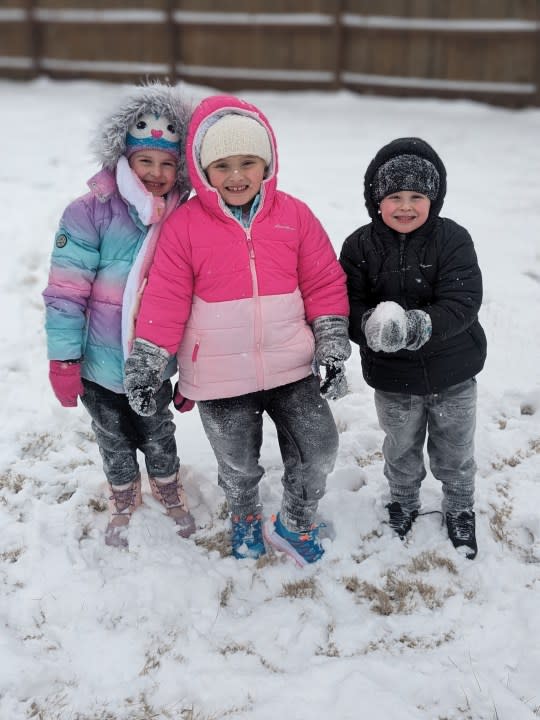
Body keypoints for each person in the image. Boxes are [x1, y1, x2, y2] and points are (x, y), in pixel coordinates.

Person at [123, 94, 351, 566]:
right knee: (238, 462)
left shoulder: (295, 216)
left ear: (266, 163)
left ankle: (295, 519)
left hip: (291, 366)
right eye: (222, 165)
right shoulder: (185, 226)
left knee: (319, 447)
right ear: (204, 171)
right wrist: (149, 362)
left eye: (248, 162)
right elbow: (164, 298)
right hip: (220, 377)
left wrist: (330, 343)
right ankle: (245, 516)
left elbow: (325, 281)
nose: (236, 176)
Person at [43, 84, 196, 548]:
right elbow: (66, 293)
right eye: (144, 161)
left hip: (155, 361)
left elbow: (194, 305)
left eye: (167, 163)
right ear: (123, 159)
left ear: (182, 168)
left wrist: (193, 373)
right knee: (112, 434)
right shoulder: (91, 211)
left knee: (157, 429)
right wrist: (64, 359)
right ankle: (124, 494)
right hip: (96, 362)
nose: (155, 173)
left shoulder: (184, 219)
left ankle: (167, 485)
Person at [340, 137, 487, 559]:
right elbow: (346, 302)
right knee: (400, 443)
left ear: (433, 197)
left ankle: (459, 505)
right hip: (394, 377)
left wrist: (420, 325)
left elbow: (463, 301)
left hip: (453, 371)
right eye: (394, 196)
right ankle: (403, 499)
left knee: (455, 447)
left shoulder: (453, 239)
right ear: (376, 199)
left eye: (417, 196)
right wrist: (368, 324)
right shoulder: (359, 246)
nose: (405, 206)